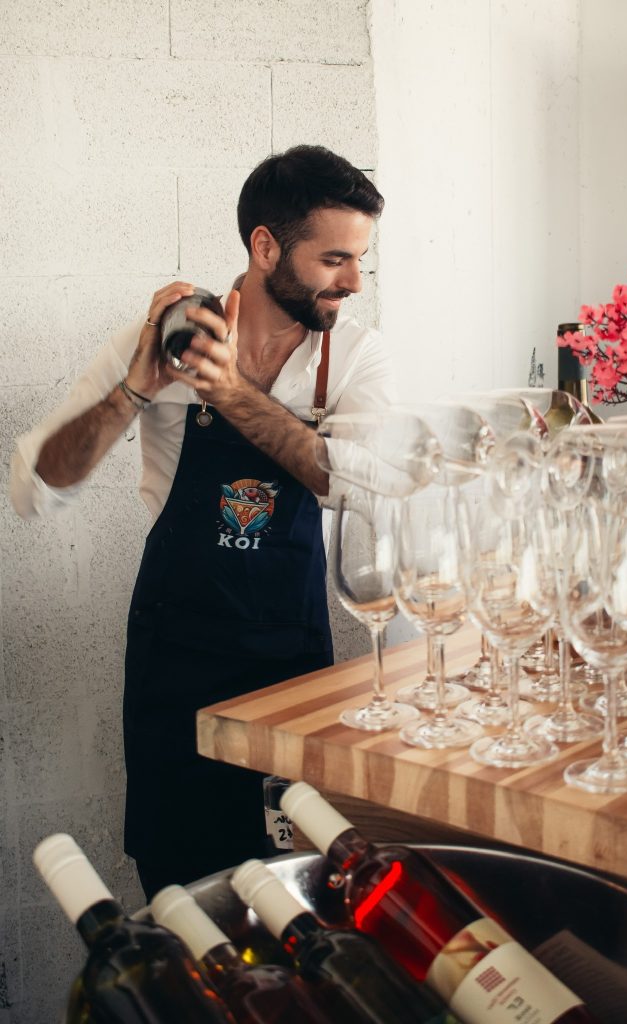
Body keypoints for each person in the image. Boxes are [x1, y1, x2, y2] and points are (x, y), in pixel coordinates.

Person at [10, 145, 395, 899]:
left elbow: (362, 487)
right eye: (335, 259)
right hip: (176, 670)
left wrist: (229, 394)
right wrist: (135, 388)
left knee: (298, 888)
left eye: (361, 260)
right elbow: (36, 488)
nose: (354, 281)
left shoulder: (353, 356)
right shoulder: (165, 337)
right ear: (266, 247)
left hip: (291, 673)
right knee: (184, 898)